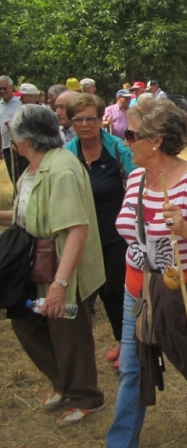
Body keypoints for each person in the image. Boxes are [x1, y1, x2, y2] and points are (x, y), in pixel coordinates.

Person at [106, 96, 187, 446]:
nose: (125, 140)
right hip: (137, 287)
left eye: (132, 134)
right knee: (133, 369)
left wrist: (186, 229)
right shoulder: (135, 179)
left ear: (156, 140)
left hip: (184, 286)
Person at [0, 105, 105, 427]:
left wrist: (60, 286)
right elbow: (26, 215)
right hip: (31, 264)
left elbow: (76, 228)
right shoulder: (33, 166)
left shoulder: (61, 168)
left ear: (26, 137)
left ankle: (86, 396)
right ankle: (62, 383)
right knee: (26, 322)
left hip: (58, 266)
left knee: (67, 331)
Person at [64, 93, 135, 371]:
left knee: (117, 291)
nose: (84, 125)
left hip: (117, 236)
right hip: (81, 238)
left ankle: (128, 344)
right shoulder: (67, 156)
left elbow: (137, 185)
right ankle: (116, 343)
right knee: (93, 296)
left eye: (90, 118)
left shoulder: (119, 150)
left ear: (100, 120)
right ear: (71, 123)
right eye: (78, 120)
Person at [0, 75, 29, 181]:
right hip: (7, 146)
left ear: (11, 88)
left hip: (22, 144)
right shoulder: (0, 106)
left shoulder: (20, 102)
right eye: (0, 89)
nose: (2, 91)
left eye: (4, 88)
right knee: (13, 176)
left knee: (24, 174)